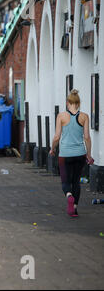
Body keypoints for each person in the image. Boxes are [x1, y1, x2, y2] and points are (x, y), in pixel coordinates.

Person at [50, 89, 93, 217]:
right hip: (80, 154)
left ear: (68, 102)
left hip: (65, 154)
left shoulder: (61, 116)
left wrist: (52, 149)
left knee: (65, 182)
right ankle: (74, 209)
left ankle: (69, 196)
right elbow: (87, 137)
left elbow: (57, 137)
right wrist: (88, 154)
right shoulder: (84, 116)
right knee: (76, 181)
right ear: (78, 103)